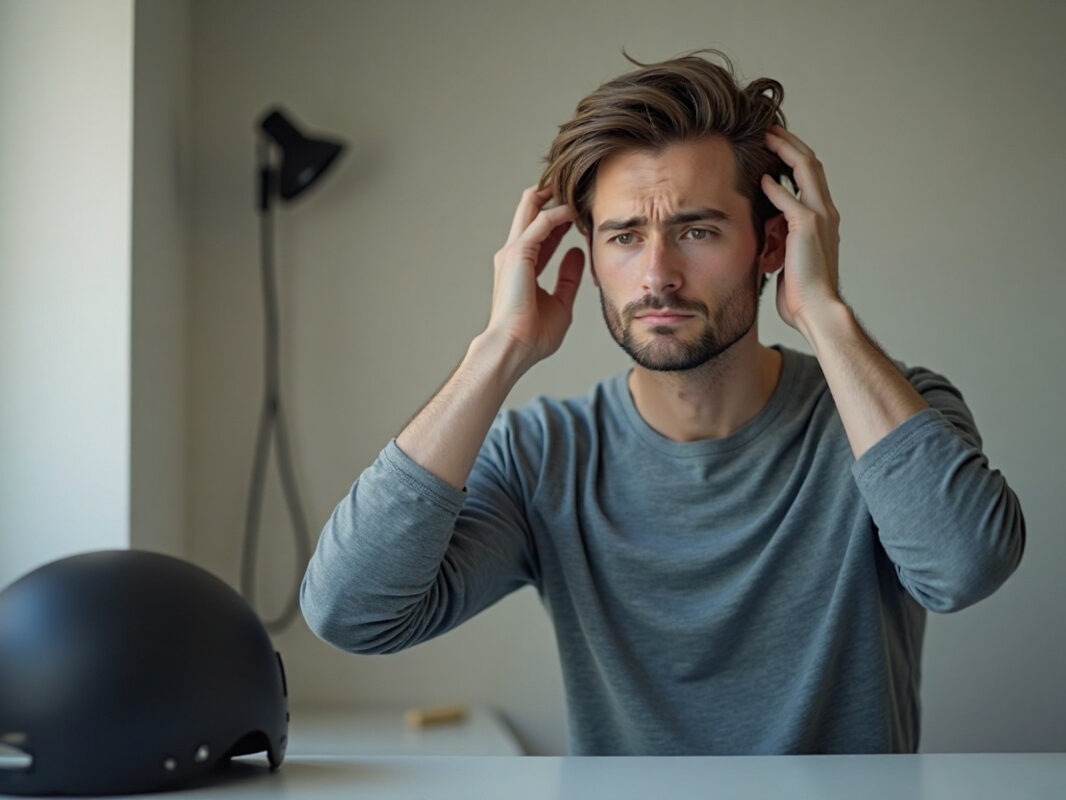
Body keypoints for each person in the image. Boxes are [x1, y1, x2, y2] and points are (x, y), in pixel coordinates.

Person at [300, 51, 1025, 755]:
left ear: (773, 245)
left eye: (697, 231)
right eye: (624, 236)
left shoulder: (890, 413)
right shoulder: (543, 456)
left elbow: (963, 569)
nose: (657, 275)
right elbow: (351, 613)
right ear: (584, 256)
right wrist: (500, 349)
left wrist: (825, 315)